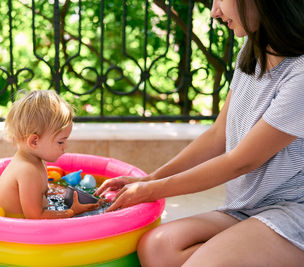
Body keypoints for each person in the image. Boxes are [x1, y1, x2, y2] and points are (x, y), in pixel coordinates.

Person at [95, 0, 304, 266]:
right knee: (157, 248)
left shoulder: (300, 74)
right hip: (248, 208)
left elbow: (241, 161)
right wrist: (151, 179)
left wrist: (152, 190)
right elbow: (219, 134)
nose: (215, 11)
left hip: (293, 212)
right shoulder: (252, 50)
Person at [0, 90, 98, 219]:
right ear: (34, 141)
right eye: (60, 141)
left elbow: (42, 192)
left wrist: (63, 192)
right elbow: (35, 217)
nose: (66, 146)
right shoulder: (27, 170)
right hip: (12, 230)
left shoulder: (36, 160)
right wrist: (72, 212)